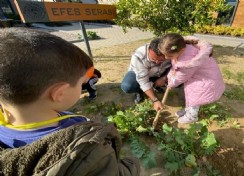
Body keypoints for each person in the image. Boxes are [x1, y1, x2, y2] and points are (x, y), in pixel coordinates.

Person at [0, 28, 140, 175]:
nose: (83, 87)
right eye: (81, 84)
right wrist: (132, 166)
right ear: (59, 93)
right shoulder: (86, 150)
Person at [158, 33, 225, 124]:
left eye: (169, 56)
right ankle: (188, 110)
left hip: (205, 80)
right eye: (165, 55)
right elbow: (175, 68)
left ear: (181, 50)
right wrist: (169, 77)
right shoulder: (182, 49)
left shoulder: (188, 62)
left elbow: (181, 77)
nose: (166, 58)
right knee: (190, 92)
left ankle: (192, 116)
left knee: (195, 95)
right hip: (199, 75)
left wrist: (171, 83)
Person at [121, 38, 170, 111]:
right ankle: (140, 91)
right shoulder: (139, 56)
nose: (156, 62)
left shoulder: (171, 53)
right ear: (149, 50)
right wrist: (155, 100)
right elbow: (143, 81)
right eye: (153, 59)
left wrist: (164, 78)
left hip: (160, 73)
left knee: (179, 81)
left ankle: (155, 86)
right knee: (128, 86)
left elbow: (177, 69)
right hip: (139, 74)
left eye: (161, 60)